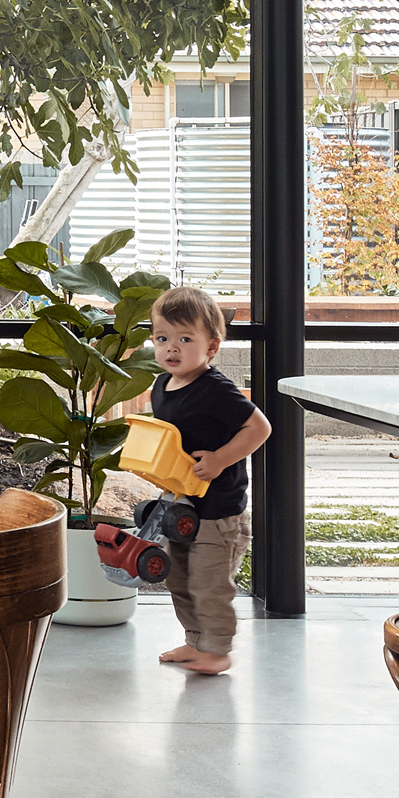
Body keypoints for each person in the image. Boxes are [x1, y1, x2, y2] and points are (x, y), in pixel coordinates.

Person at [134, 284, 270, 675]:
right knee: (180, 577)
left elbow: (259, 428)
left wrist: (220, 459)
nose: (171, 348)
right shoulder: (162, 387)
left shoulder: (217, 390)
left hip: (218, 508)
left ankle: (217, 650)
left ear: (211, 347)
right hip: (182, 506)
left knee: (210, 582)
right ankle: (197, 641)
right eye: (163, 338)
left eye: (184, 339)